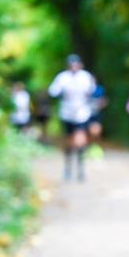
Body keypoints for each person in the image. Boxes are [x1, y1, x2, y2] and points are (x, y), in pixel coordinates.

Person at [48, 54, 97, 182]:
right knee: (69, 142)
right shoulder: (62, 77)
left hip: (81, 113)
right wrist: (60, 93)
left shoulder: (86, 77)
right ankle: (68, 167)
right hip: (67, 113)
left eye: (76, 64)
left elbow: (92, 91)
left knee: (80, 140)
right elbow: (52, 91)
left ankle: (81, 169)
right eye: (71, 65)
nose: (74, 67)